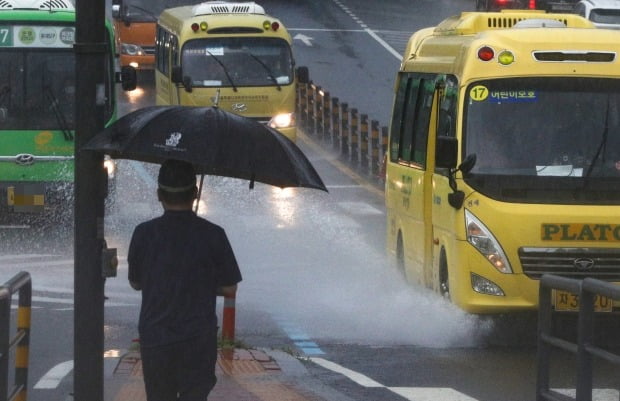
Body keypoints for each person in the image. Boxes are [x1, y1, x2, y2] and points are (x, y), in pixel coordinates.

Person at [128, 159, 242, 401]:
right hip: (198, 337)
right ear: (195, 193)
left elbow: (136, 282)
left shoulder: (144, 233)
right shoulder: (213, 234)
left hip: (155, 336)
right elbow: (230, 286)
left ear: (159, 194)